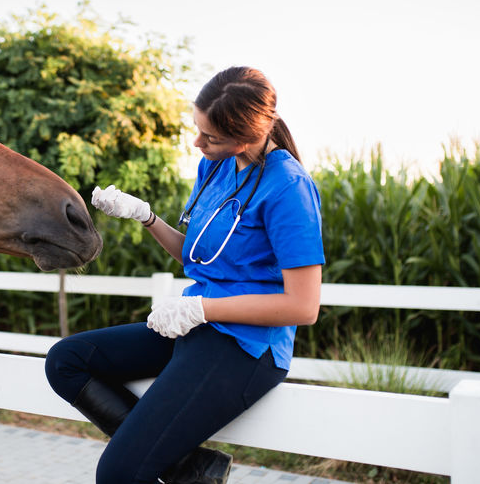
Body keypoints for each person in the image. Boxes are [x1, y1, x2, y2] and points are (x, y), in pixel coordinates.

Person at [44, 66, 325, 484]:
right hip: (199, 325)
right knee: (65, 361)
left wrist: (202, 309)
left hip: (247, 348)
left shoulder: (288, 187)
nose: (198, 142)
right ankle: (190, 469)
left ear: (246, 137)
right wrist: (146, 216)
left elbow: (303, 307)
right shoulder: (215, 167)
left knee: (118, 473)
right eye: (197, 129)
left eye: (210, 137)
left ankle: (169, 464)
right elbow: (201, 259)